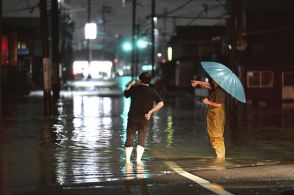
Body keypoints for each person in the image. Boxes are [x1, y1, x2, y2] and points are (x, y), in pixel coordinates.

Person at [124, 72, 164, 165]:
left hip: (132, 117)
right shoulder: (152, 91)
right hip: (145, 118)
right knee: (142, 139)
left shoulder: (134, 88)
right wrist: (150, 112)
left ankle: (127, 161)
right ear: (149, 81)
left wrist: (131, 84)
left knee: (129, 137)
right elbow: (161, 103)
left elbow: (125, 94)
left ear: (140, 79)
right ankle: (138, 161)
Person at [191, 79, 226, 159]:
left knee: (217, 136)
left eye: (214, 78)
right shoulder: (216, 88)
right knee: (213, 135)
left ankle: (220, 158)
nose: (212, 79)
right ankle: (219, 157)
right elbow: (208, 85)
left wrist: (208, 102)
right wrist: (198, 82)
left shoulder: (220, 91)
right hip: (213, 114)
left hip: (217, 115)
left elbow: (219, 105)